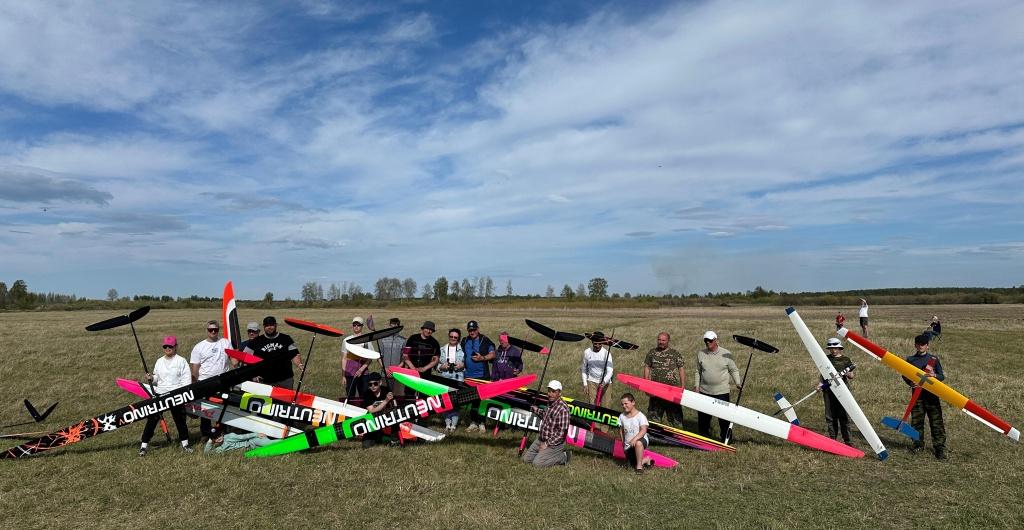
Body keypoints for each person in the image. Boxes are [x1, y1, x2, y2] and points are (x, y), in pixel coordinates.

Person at [139, 336, 193, 456]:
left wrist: (183, 395)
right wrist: (152, 378)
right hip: (160, 394)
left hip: (176, 394)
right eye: (165, 346)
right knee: (152, 419)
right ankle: (143, 445)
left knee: (180, 420)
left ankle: (185, 444)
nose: (167, 348)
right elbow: (157, 379)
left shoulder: (181, 361)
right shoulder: (159, 361)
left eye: (170, 346)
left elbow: (186, 380)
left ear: (175, 347)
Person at [904, 334, 947, 459]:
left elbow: (942, 376)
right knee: (917, 422)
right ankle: (918, 444)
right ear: (915, 345)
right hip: (917, 397)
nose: (920, 346)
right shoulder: (910, 360)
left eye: (923, 344)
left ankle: (939, 448)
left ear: (927, 346)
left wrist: (935, 376)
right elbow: (905, 375)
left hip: (932, 397)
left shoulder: (933, 359)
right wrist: (910, 382)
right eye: (918, 344)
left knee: (936, 422)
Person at [695, 331, 742, 442]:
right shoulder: (701, 354)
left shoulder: (726, 354)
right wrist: (696, 387)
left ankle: (726, 439)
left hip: (722, 392)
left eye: (710, 340)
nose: (708, 342)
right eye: (706, 340)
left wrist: (738, 383)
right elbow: (698, 371)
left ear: (716, 340)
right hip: (704, 391)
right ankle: (703, 438)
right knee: (703, 418)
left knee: (724, 418)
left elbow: (733, 370)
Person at [190, 320, 231, 440]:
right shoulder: (199, 347)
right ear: (207, 331)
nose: (213, 332)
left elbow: (233, 359)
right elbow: (195, 368)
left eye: (216, 330)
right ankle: (205, 432)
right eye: (210, 330)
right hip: (205, 382)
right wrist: (194, 384)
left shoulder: (225, 342)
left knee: (224, 406)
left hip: (223, 381)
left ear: (218, 330)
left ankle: (222, 430)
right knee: (206, 409)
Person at [243, 316, 303, 389]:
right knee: (268, 400)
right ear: (264, 327)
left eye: (271, 325)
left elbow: (294, 354)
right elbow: (244, 357)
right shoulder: (256, 341)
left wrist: (299, 364)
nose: (269, 327)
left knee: (285, 400)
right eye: (267, 325)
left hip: (285, 379)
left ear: (276, 325)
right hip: (265, 380)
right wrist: (252, 374)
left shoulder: (285, 338)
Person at [522, 380, 570, 467]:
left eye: (553, 392)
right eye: (549, 391)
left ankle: (563, 457)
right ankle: (543, 455)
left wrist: (546, 444)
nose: (550, 394)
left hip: (554, 443)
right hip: (541, 438)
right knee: (526, 459)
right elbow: (545, 414)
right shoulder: (550, 402)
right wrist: (535, 409)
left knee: (537, 464)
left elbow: (561, 434)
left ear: (559, 393)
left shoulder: (563, 409)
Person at [642, 332, 686, 428]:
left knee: (676, 419)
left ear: (668, 341)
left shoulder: (675, 354)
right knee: (653, 418)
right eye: (659, 340)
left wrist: (682, 386)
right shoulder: (652, 353)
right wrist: (646, 384)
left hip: (672, 391)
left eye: (663, 340)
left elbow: (681, 369)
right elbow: (647, 367)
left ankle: (677, 438)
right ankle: (653, 437)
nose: (660, 342)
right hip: (655, 391)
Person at [461, 320, 494, 432]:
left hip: (482, 376)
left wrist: (482, 358)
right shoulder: (464, 340)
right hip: (468, 376)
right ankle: (473, 422)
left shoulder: (485, 340)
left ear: (478, 329)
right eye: (470, 330)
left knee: (482, 400)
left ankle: (482, 423)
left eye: (474, 330)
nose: (472, 332)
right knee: (472, 400)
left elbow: (493, 354)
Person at [821, 338, 855, 444]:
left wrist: (847, 373)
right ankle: (833, 440)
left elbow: (851, 376)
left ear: (840, 348)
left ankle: (848, 441)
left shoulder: (846, 360)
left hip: (843, 390)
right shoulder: (825, 359)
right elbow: (822, 374)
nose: (833, 351)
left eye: (835, 348)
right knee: (830, 415)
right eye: (831, 348)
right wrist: (820, 384)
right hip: (828, 390)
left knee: (844, 415)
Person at [341, 316, 376, 404]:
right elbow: (344, 358)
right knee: (350, 395)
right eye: (354, 325)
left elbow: (370, 357)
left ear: (362, 326)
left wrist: (362, 369)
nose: (356, 327)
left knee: (364, 394)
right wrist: (343, 375)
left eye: (358, 325)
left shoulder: (367, 340)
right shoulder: (346, 340)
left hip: (364, 373)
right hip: (349, 372)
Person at [402, 321, 440, 396]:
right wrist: (412, 368)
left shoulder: (434, 343)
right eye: (427, 328)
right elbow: (405, 354)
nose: (428, 331)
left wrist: (424, 368)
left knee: (424, 396)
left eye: (431, 330)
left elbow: (436, 359)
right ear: (422, 329)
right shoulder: (412, 338)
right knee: (409, 394)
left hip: (425, 374)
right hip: (411, 372)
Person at [438, 328, 465, 432]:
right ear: (449, 337)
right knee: (445, 403)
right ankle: (447, 424)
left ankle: (454, 424)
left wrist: (462, 366)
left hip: (457, 378)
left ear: (458, 338)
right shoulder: (442, 349)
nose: (453, 339)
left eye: (456, 337)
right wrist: (442, 367)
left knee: (455, 403)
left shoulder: (462, 350)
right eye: (451, 337)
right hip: (445, 378)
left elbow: (466, 365)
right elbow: (437, 366)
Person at [619, 393, 652, 474]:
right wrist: (623, 442)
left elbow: (643, 430)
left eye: (626, 403)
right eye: (622, 404)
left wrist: (635, 439)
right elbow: (621, 431)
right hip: (628, 446)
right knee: (630, 466)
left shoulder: (641, 416)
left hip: (640, 441)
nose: (624, 406)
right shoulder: (621, 416)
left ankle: (639, 468)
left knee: (638, 443)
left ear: (633, 402)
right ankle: (646, 460)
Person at [361, 372, 397, 448]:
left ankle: (394, 439)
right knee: (366, 445)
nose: (373, 386)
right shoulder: (367, 393)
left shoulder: (387, 390)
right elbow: (371, 411)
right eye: (370, 384)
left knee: (396, 417)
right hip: (372, 421)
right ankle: (378, 436)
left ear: (380, 382)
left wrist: (392, 402)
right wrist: (386, 401)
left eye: (375, 384)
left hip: (385, 418)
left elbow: (395, 406)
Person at [581, 331, 613, 404]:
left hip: (605, 383)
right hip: (592, 381)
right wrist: (585, 384)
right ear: (592, 342)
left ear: (602, 343)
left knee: (606, 407)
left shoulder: (607, 354)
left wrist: (604, 382)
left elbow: (610, 371)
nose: (597, 346)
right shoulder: (587, 352)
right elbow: (583, 369)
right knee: (592, 405)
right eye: (595, 343)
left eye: (600, 344)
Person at [378, 317, 407, 395]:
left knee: (398, 396)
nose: (394, 327)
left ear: (399, 326)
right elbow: (379, 357)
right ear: (389, 326)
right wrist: (385, 369)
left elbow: (404, 358)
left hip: (398, 375)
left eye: (396, 325)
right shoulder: (383, 339)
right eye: (392, 325)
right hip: (384, 373)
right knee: (384, 396)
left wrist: (396, 369)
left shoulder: (403, 340)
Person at [204, 431, 274, 454]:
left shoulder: (229, 436)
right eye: (215, 438)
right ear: (213, 440)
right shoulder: (220, 449)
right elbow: (207, 453)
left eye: (219, 435)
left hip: (253, 441)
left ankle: (283, 441)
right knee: (268, 451)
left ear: (222, 434)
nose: (218, 438)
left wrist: (256, 434)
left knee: (269, 444)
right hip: (252, 448)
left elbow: (243, 437)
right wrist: (209, 442)